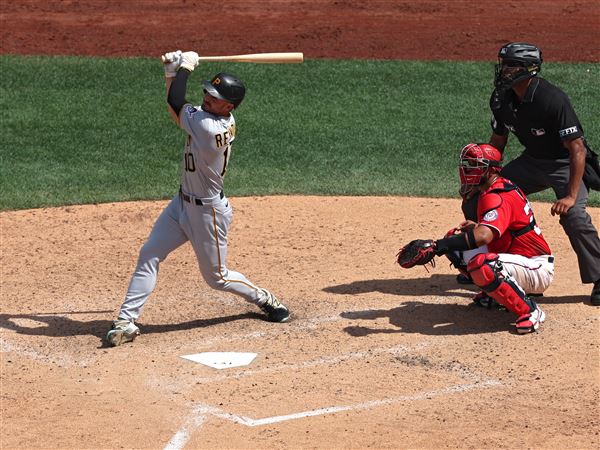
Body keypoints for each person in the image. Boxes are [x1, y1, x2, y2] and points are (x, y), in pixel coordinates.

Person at [106, 50, 290, 346]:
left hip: (209, 214)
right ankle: (126, 321)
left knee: (216, 277)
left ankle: (264, 298)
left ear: (228, 106)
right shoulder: (208, 118)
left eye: (214, 96)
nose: (207, 97)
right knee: (149, 254)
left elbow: (177, 103)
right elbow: (174, 109)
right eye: (207, 92)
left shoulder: (209, 127)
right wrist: (171, 72)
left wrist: (184, 69)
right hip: (181, 204)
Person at [461, 42, 600, 305]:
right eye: (503, 64)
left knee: (575, 218)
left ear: (528, 69)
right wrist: (483, 180)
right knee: (476, 202)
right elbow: (497, 142)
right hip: (532, 162)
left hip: (564, 164)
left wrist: (570, 196)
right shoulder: (501, 97)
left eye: (510, 65)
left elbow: (578, 150)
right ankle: (487, 265)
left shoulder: (551, 99)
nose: (504, 70)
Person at [407, 143, 554, 334]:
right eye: (466, 165)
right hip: (514, 259)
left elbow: (484, 237)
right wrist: (470, 231)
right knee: (455, 242)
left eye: (474, 165)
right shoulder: (492, 190)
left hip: (535, 267)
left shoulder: (497, 195)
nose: (467, 170)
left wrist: (437, 246)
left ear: (491, 170)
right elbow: (499, 230)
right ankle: (494, 294)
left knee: (482, 264)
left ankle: (530, 311)